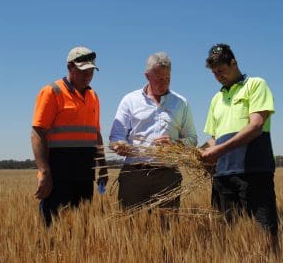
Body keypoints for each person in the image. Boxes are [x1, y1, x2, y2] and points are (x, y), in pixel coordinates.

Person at [200, 43, 278, 236]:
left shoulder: (256, 85)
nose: (218, 76)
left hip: (253, 172)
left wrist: (218, 151)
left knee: (263, 233)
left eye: (222, 70)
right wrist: (200, 152)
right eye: (214, 73)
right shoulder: (216, 99)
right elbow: (213, 139)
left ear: (233, 63)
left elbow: (256, 126)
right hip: (222, 176)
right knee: (225, 234)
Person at [109, 52, 197, 210]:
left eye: (167, 78)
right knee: (130, 227)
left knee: (166, 229)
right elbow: (116, 135)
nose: (164, 83)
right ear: (147, 76)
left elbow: (192, 139)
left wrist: (176, 144)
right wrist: (119, 145)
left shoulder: (181, 103)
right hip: (134, 175)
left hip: (168, 175)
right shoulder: (130, 100)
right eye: (159, 78)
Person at [31, 46, 108, 226]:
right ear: (70, 67)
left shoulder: (93, 96)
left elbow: (96, 134)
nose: (88, 74)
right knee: (51, 228)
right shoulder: (52, 92)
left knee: (81, 231)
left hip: (85, 176)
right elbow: (37, 132)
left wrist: (103, 166)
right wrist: (44, 171)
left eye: (91, 70)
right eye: (83, 70)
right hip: (58, 176)